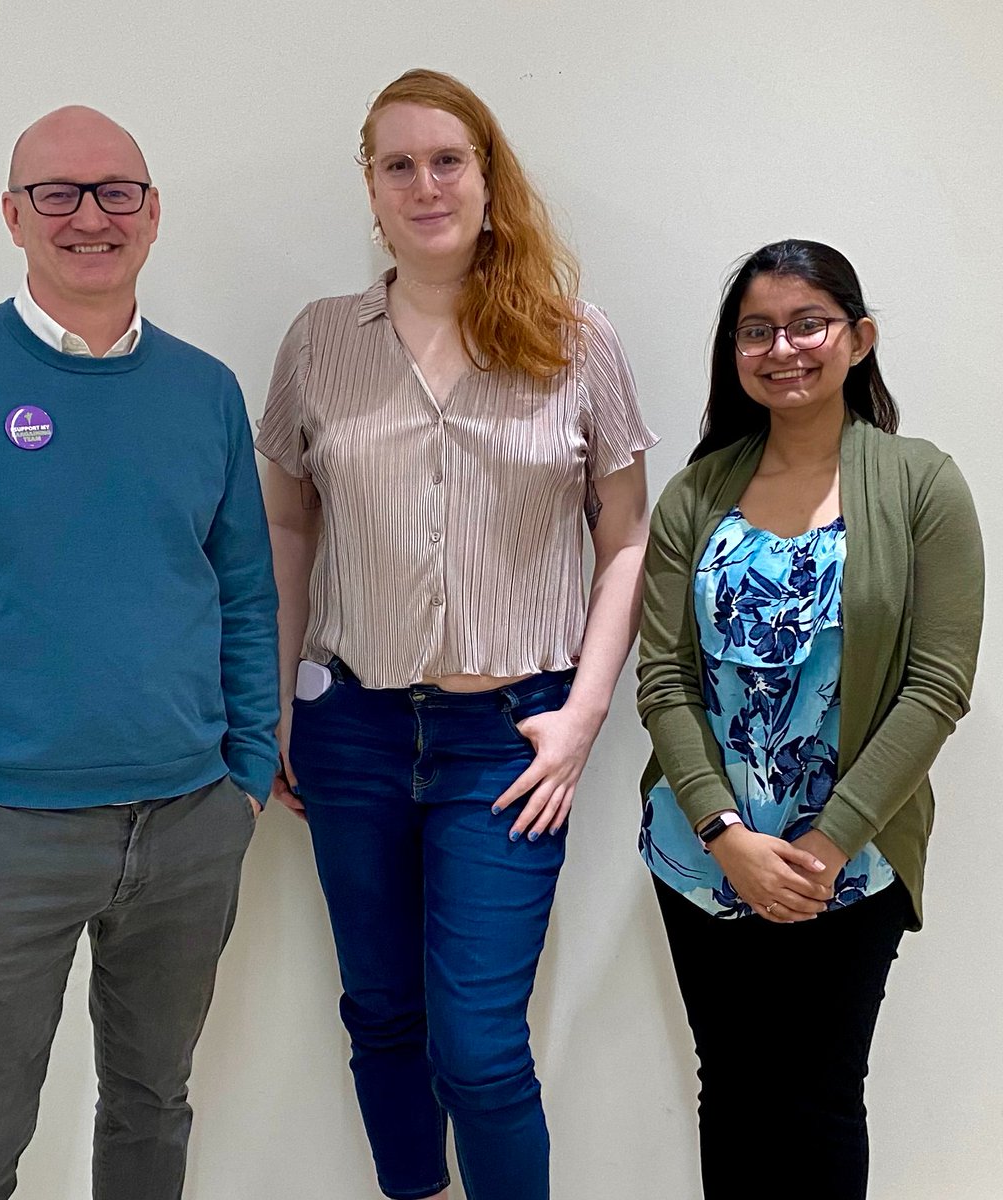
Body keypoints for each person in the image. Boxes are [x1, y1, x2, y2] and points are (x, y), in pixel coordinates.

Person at [0, 106, 277, 1199]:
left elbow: (242, 594)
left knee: (152, 1111)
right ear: (13, 215)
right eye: (58, 193)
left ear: (151, 211)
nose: (90, 216)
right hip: (2, 839)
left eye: (115, 191)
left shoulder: (205, 390)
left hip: (187, 825)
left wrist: (242, 780)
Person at [257, 68, 657, 1200]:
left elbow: (624, 537)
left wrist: (580, 717)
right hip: (353, 731)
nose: (424, 184)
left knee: (478, 1052)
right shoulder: (322, 340)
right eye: (398, 164)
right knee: (380, 1013)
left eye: (448, 160)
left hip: (508, 741)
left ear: (488, 176)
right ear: (371, 189)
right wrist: (281, 695)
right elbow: (288, 517)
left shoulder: (577, 340)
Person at [637, 239, 984, 1200]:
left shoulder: (922, 487)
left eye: (808, 323)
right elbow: (662, 678)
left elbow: (937, 684)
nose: (783, 347)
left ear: (859, 339)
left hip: (853, 857)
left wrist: (828, 844)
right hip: (705, 852)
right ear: (733, 351)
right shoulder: (696, 494)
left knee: (824, 1097)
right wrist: (727, 835)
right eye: (758, 330)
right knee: (734, 1091)